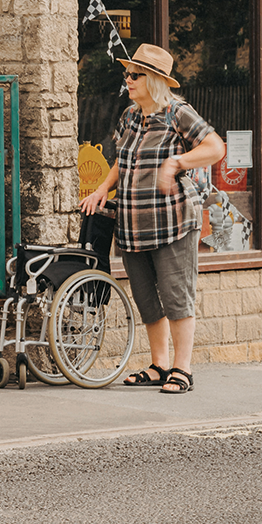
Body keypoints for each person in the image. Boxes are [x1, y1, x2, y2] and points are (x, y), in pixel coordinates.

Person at [79, 43, 225, 396]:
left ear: (155, 80)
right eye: (127, 74)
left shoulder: (178, 113)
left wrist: (177, 162)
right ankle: (160, 365)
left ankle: (182, 368)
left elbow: (215, 147)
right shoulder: (130, 116)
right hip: (132, 223)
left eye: (135, 75)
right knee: (146, 298)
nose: (127, 80)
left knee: (176, 296)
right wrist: (102, 189)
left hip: (173, 221)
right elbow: (122, 160)